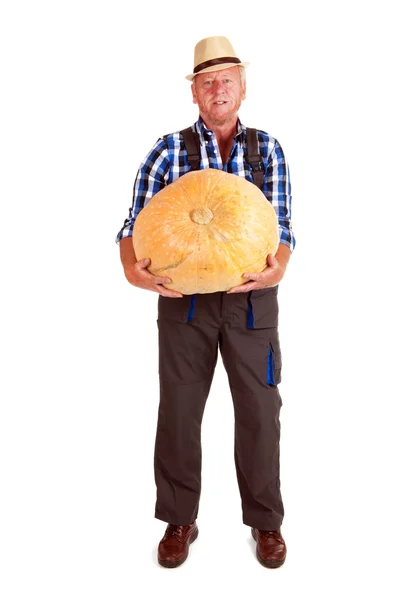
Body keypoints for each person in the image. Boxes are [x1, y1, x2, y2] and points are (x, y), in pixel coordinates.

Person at [115, 36, 296, 569]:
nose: (217, 90)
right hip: (184, 305)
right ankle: (179, 519)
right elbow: (133, 224)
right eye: (207, 81)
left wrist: (279, 265)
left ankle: (266, 523)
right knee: (179, 411)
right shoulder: (167, 150)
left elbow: (282, 226)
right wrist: (131, 267)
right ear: (194, 92)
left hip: (252, 303)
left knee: (261, 412)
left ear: (242, 87)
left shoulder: (269, 149)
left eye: (227, 80)